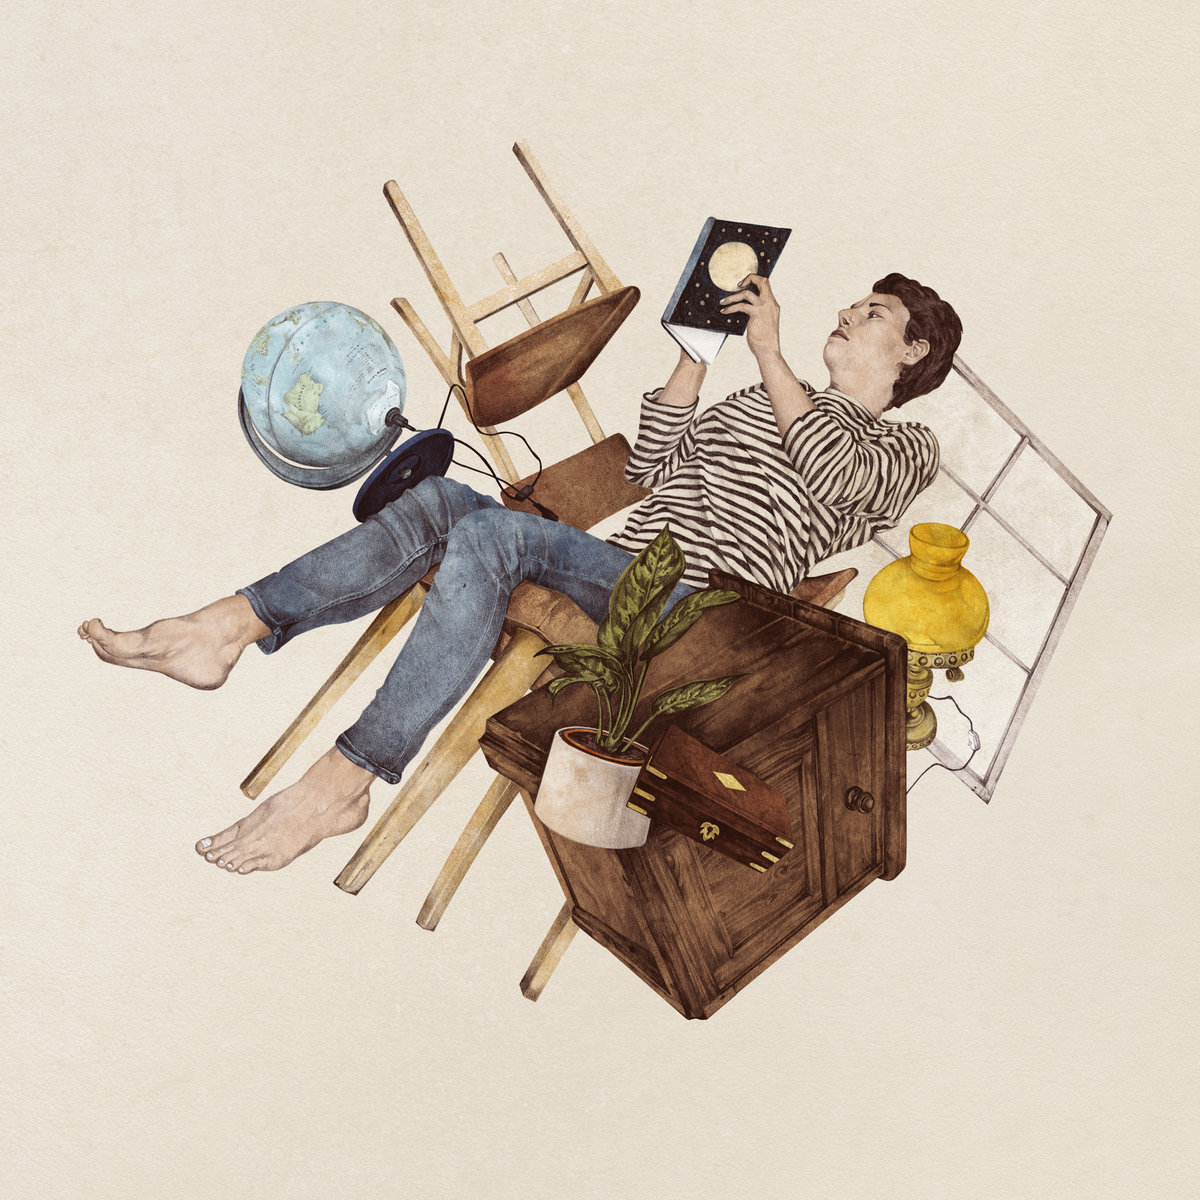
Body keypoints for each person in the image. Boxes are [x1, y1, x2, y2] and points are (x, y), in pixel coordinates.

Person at [79, 271, 962, 876]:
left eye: (874, 313)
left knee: (496, 539)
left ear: (914, 352)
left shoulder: (907, 449)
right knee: (441, 504)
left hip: (697, 615)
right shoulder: (765, 396)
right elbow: (650, 466)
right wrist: (697, 356)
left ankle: (342, 782)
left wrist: (770, 354)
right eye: (856, 302)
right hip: (630, 569)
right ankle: (226, 628)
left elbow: (832, 472)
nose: (847, 311)